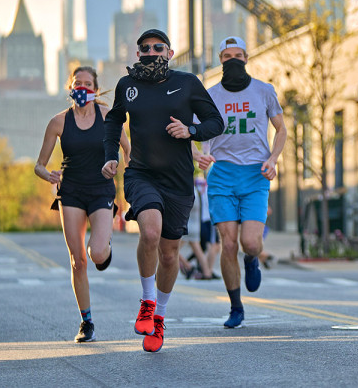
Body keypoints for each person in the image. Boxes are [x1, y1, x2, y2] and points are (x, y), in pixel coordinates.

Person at [103, 29, 225, 353]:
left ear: (169, 53)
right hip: (141, 174)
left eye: (159, 47)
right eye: (145, 48)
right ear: (137, 53)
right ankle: (146, 300)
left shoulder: (187, 83)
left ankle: (159, 318)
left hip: (179, 181)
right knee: (151, 232)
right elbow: (113, 122)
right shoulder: (127, 86)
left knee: (170, 255)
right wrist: (110, 157)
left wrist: (191, 131)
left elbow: (217, 122)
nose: (152, 52)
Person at [193, 35, 286, 330]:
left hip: (255, 175)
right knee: (228, 243)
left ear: (246, 58)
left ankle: (253, 259)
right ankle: (236, 307)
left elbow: (281, 130)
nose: (233, 60)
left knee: (250, 242)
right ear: (220, 60)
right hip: (221, 175)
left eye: (238, 55)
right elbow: (189, 131)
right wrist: (198, 155)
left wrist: (273, 159)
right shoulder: (210, 96)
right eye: (226, 56)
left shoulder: (264, 91)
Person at [34, 66, 130, 343]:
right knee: (78, 261)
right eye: (78, 83)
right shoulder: (58, 122)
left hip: (101, 189)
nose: (83, 88)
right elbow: (38, 165)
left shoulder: (107, 117)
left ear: (96, 89)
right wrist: (48, 174)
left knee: (97, 253)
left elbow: (127, 148)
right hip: (71, 192)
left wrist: (124, 167)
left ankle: (105, 248)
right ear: (70, 88)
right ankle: (86, 321)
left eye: (88, 84)